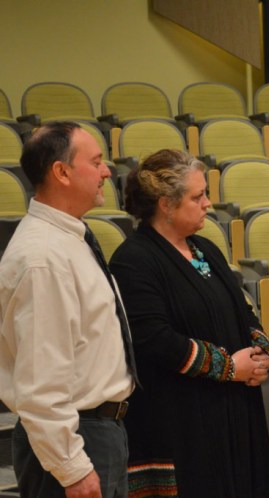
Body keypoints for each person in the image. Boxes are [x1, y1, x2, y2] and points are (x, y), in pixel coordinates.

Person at [108, 149, 269, 497]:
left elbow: (242, 309)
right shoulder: (133, 259)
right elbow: (153, 339)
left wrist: (260, 352)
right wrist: (230, 367)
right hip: (181, 421)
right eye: (198, 196)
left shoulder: (204, 248)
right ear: (166, 204)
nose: (208, 204)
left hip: (234, 410)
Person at [0, 121, 135, 497]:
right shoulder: (43, 257)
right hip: (76, 435)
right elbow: (40, 380)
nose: (107, 171)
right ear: (61, 172)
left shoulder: (67, 238)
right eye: (96, 162)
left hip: (97, 430)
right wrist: (71, 466)